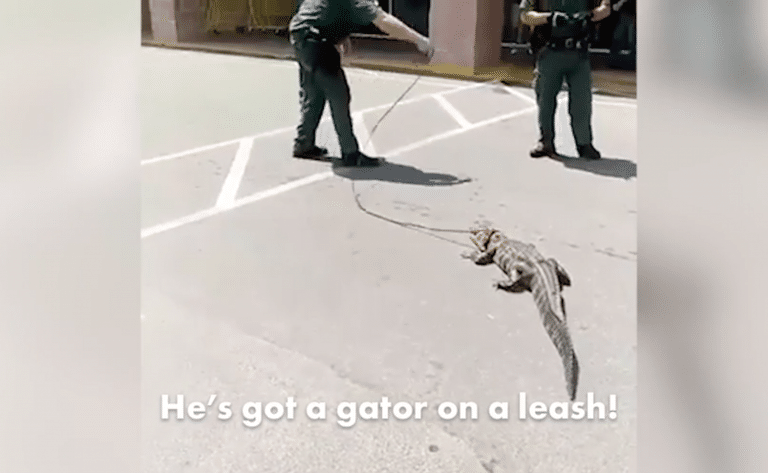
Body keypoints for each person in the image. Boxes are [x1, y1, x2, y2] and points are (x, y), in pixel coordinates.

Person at [289, 0, 434, 167]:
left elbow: (321, 12)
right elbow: (384, 21)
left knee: (313, 92)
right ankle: (350, 154)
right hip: (317, 40)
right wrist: (419, 40)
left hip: (300, 35)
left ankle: (303, 144)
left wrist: (341, 37)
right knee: (339, 95)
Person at [519, 0, 611, 160]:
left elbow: (606, 8)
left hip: (578, 54)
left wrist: (590, 15)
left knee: (581, 101)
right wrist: (549, 17)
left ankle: (584, 144)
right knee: (545, 100)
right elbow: (525, 15)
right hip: (549, 52)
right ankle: (546, 141)